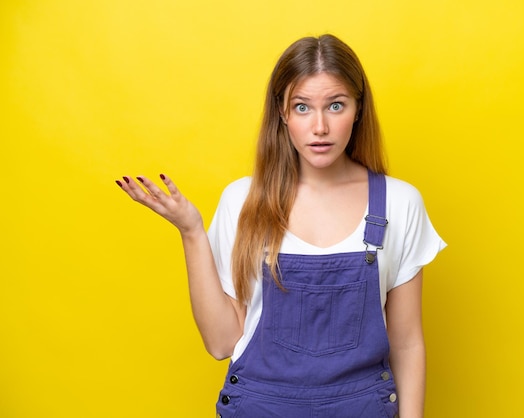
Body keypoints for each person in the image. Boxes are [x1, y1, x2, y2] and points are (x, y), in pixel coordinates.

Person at [116, 34, 445, 418]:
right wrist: (191, 232)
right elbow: (222, 342)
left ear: (358, 110)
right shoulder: (243, 202)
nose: (319, 126)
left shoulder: (399, 203)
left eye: (335, 105)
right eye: (302, 107)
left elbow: (406, 344)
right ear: (282, 113)